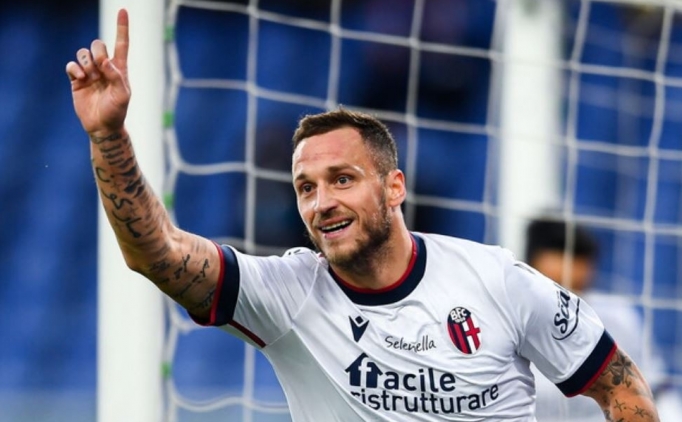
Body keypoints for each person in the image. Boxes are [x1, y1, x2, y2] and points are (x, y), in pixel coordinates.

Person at [65, 9, 660, 421]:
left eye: (342, 179)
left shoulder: (499, 282)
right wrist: (108, 136)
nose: (321, 201)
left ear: (394, 186)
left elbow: (622, 388)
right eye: (305, 187)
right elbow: (158, 254)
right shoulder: (287, 293)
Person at [526, 218, 677, 421]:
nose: (564, 301)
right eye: (556, 285)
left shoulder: (619, 318)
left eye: (577, 288)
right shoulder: (503, 326)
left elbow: (659, 393)